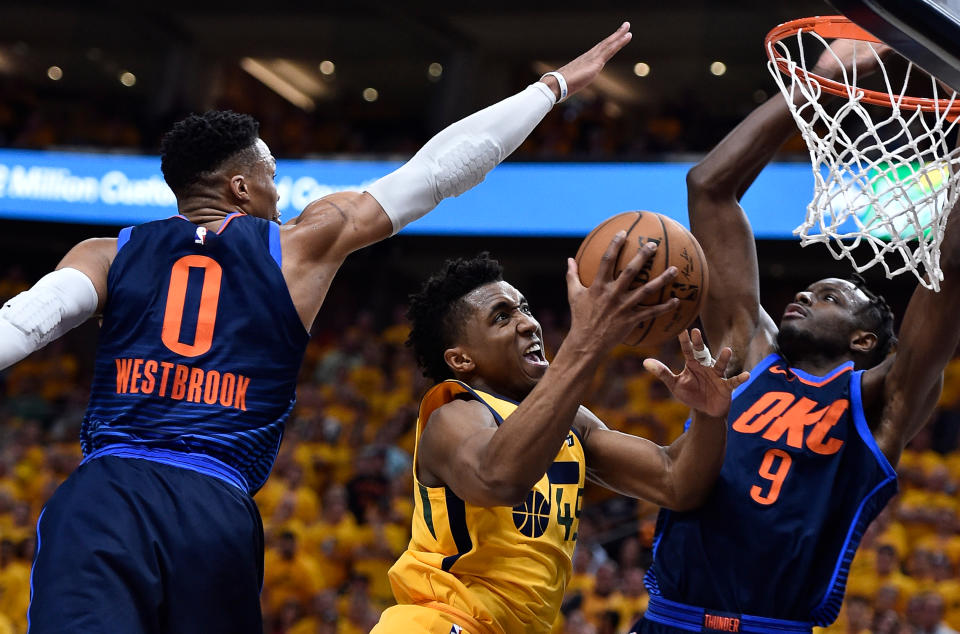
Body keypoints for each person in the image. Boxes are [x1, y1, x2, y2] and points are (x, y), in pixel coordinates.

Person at [3, 23, 636, 633]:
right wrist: (549, 89)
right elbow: (439, 171)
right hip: (211, 506)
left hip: (106, 493)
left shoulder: (106, 254)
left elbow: (24, 324)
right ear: (242, 186)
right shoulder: (298, 247)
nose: (280, 196)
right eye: (273, 179)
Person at [632, 39, 960, 633]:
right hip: (668, 620)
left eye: (831, 296)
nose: (804, 295)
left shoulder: (881, 398)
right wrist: (813, 85)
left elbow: (952, 269)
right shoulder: (746, 350)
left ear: (863, 342)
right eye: (806, 291)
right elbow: (708, 185)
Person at [373, 244, 749, 634]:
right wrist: (586, 339)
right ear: (462, 359)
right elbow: (498, 477)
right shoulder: (454, 414)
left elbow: (676, 482)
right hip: (442, 622)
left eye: (526, 309)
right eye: (502, 317)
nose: (528, 324)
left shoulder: (572, 421)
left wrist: (707, 414)